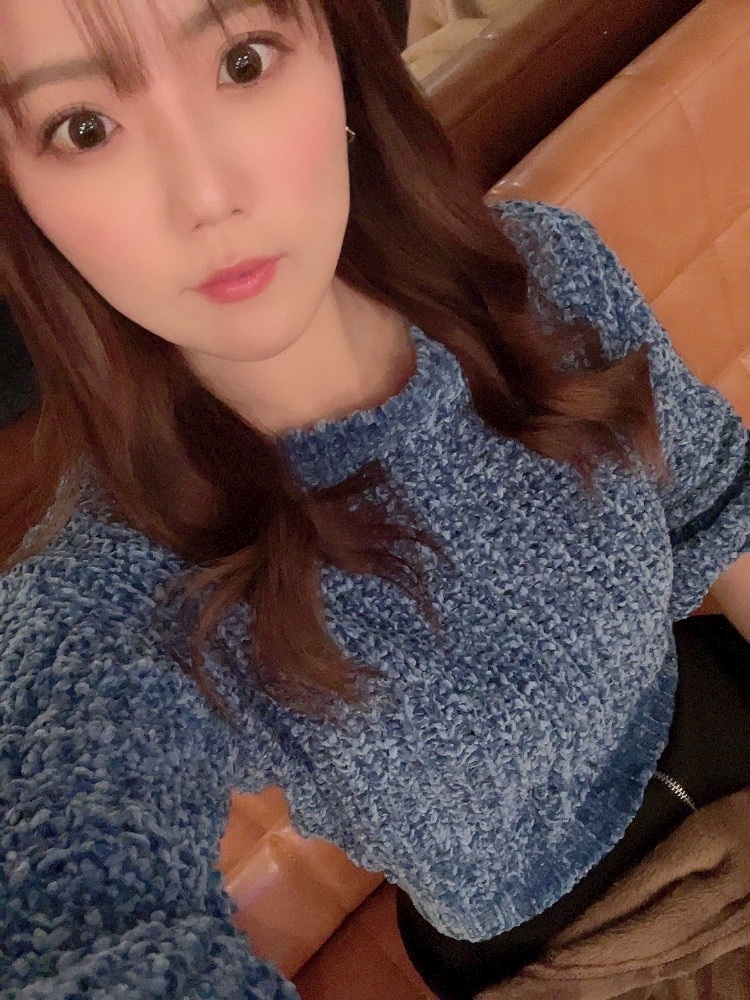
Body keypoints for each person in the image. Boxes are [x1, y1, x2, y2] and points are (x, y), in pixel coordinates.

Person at [1, 1, 749, 999]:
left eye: (243, 61)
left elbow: (722, 499)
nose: (209, 194)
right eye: (84, 127)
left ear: (342, 54)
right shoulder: (112, 589)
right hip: (554, 947)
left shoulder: (539, 273)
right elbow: (66, 912)